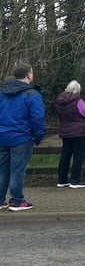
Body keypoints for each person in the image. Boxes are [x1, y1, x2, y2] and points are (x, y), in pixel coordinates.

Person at [0, 63, 45, 211]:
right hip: (21, 137)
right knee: (17, 170)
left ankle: (1, 200)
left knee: (2, 170)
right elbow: (37, 118)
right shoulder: (32, 94)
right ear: (29, 75)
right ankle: (17, 200)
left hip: (2, 136)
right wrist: (38, 137)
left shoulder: (3, 92)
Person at [54, 80, 85, 189]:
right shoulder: (77, 100)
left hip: (65, 130)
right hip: (79, 132)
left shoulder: (59, 100)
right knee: (78, 156)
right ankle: (75, 180)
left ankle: (62, 180)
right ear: (77, 90)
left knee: (65, 155)